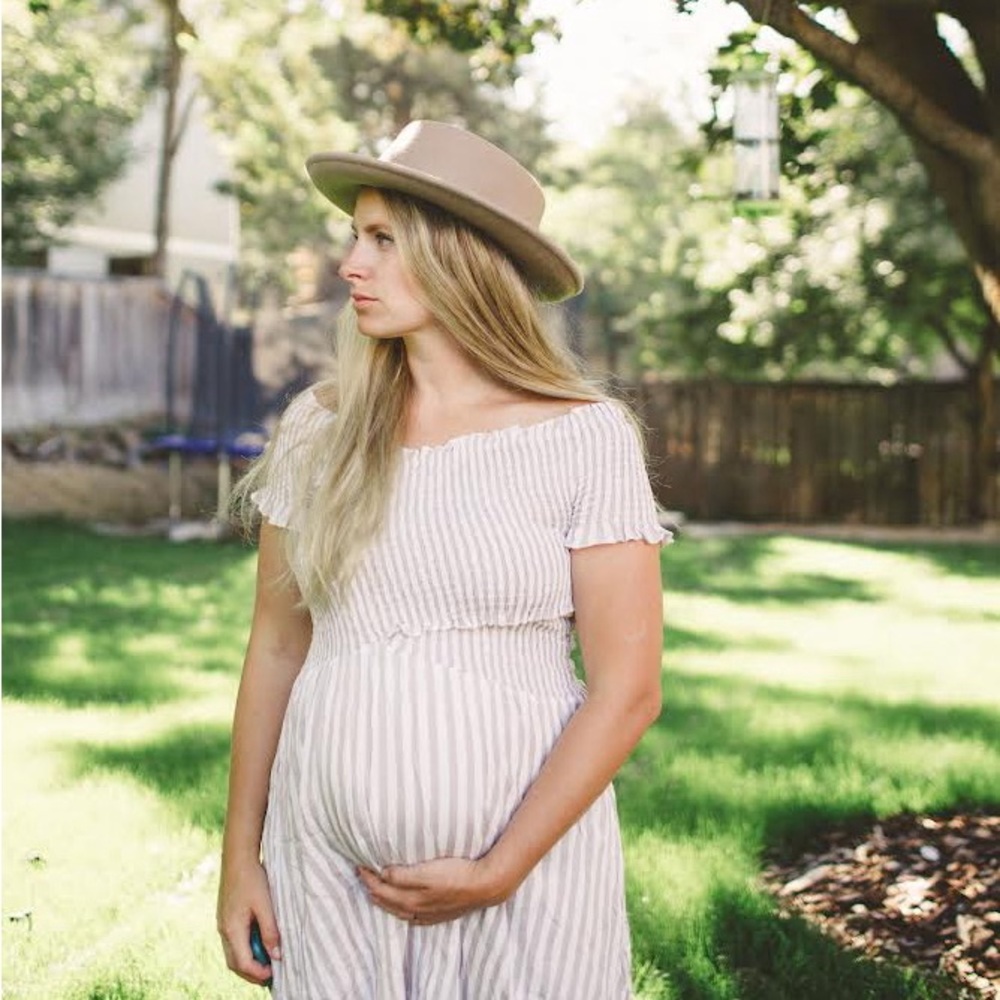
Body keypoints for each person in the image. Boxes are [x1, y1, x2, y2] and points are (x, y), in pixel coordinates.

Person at [216, 119, 669, 999]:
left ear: (462, 256)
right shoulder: (322, 429)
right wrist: (240, 858)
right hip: (325, 879)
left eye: (384, 239)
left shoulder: (584, 438)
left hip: (530, 886)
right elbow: (276, 648)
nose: (351, 263)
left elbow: (629, 691)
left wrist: (501, 866)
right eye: (356, 235)